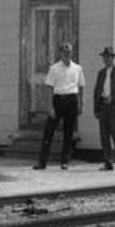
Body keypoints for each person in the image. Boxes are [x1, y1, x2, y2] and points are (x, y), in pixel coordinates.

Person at [34, 42, 85, 170]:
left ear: (71, 53)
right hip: (58, 100)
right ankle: (42, 162)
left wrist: (80, 103)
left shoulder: (78, 68)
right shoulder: (54, 68)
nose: (67, 54)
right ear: (61, 53)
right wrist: (50, 106)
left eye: (69, 52)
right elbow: (49, 87)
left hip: (71, 100)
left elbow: (81, 86)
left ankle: (65, 161)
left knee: (68, 133)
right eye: (64, 51)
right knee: (49, 132)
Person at [93, 47, 115, 171]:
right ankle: (108, 162)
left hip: (114, 107)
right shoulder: (101, 73)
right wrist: (96, 109)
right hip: (103, 106)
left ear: (112, 58)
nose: (106, 59)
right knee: (104, 135)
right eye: (104, 57)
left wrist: (113, 98)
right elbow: (97, 92)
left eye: (108, 57)